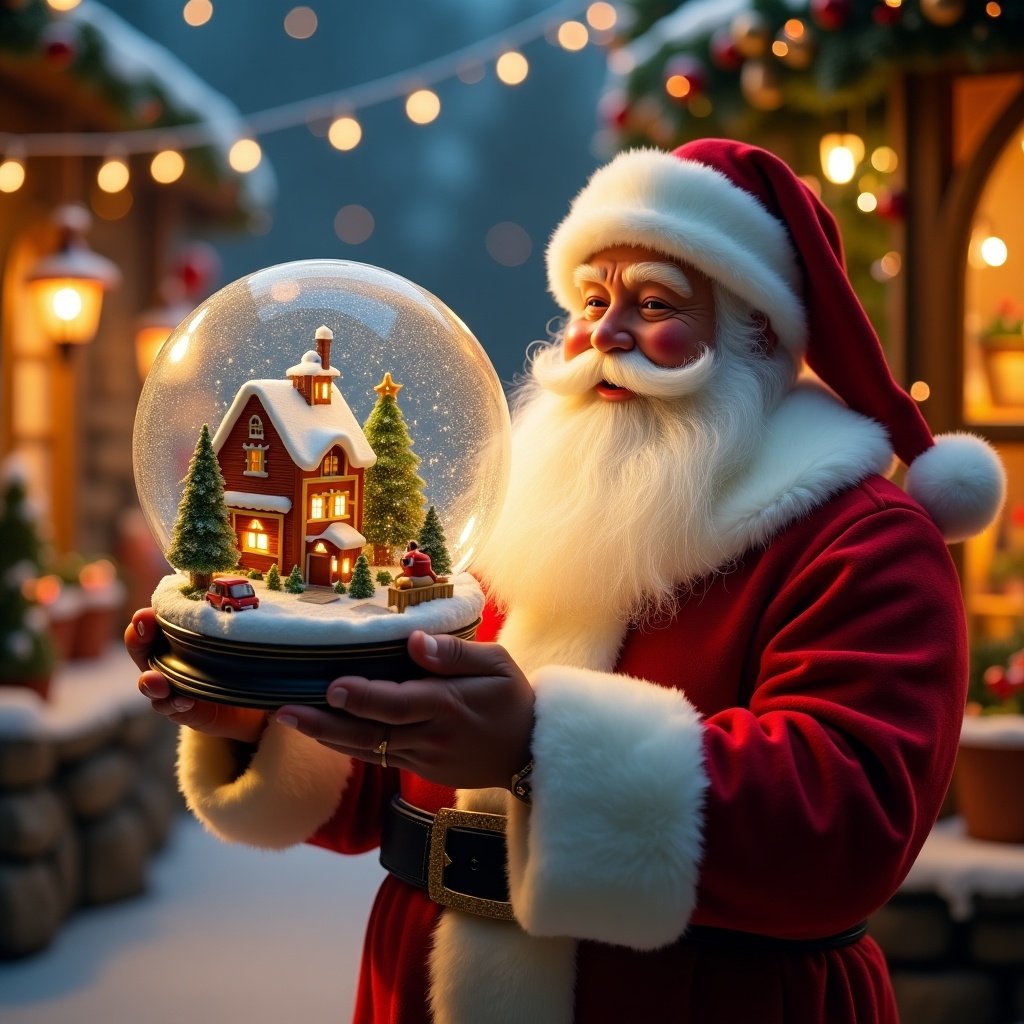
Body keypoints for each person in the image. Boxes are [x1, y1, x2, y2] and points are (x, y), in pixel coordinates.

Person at [125, 139, 1006, 1024]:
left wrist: (537, 753)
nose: (607, 332)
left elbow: (846, 825)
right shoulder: (536, 512)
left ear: (760, 333)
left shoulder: (859, 544)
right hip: (423, 980)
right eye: (593, 300)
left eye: (655, 302)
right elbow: (400, 783)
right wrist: (269, 715)